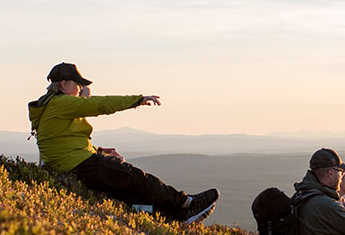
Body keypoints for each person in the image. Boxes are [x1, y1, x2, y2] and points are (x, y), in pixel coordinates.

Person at [27, 62, 218, 223]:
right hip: (77, 163)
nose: (80, 89)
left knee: (128, 194)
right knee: (135, 177)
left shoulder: (51, 104)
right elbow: (101, 105)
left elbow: (66, 139)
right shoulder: (61, 103)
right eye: (77, 84)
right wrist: (138, 100)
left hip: (72, 162)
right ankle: (187, 203)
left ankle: (176, 216)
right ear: (63, 85)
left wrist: (100, 152)